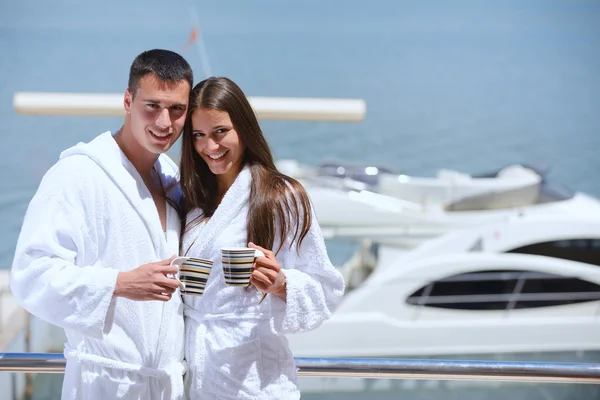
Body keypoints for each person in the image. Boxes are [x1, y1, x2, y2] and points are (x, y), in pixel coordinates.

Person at [10, 49, 193, 400]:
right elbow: (31, 275)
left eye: (177, 110)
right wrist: (119, 283)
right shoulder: (78, 174)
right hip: (104, 385)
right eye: (152, 106)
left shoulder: (171, 178)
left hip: (166, 386)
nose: (164, 123)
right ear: (128, 100)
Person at [179, 77, 345, 399]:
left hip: (256, 382)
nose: (209, 147)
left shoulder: (281, 197)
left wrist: (282, 284)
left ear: (243, 127)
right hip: (201, 379)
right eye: (198, 136)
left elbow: (327, 288)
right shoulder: (192, 199)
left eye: (220, 132)